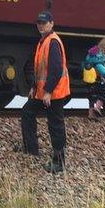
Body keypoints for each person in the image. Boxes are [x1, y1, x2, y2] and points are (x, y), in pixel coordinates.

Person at [19, 10, 70, 173]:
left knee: (55, 124)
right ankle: (31, 148)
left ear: (51, 24)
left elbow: (55, 69)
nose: (41, 25)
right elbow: (40, 69)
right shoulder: (44, 41)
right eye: (39, 23)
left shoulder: (53, 42)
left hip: (54, 93)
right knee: (27, 111)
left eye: (44, 23)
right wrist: (34, 87)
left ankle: (59, 162)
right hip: (43, 92)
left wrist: (48, 91)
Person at [83, 37, 105, 121]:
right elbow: (99, 66)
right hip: (98, 79)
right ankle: (97, 107)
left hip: (89, 78)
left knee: (92, 96)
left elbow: (85, 64)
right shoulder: (101, 56)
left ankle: (90, 115)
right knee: (103, 94)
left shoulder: (92, 53)